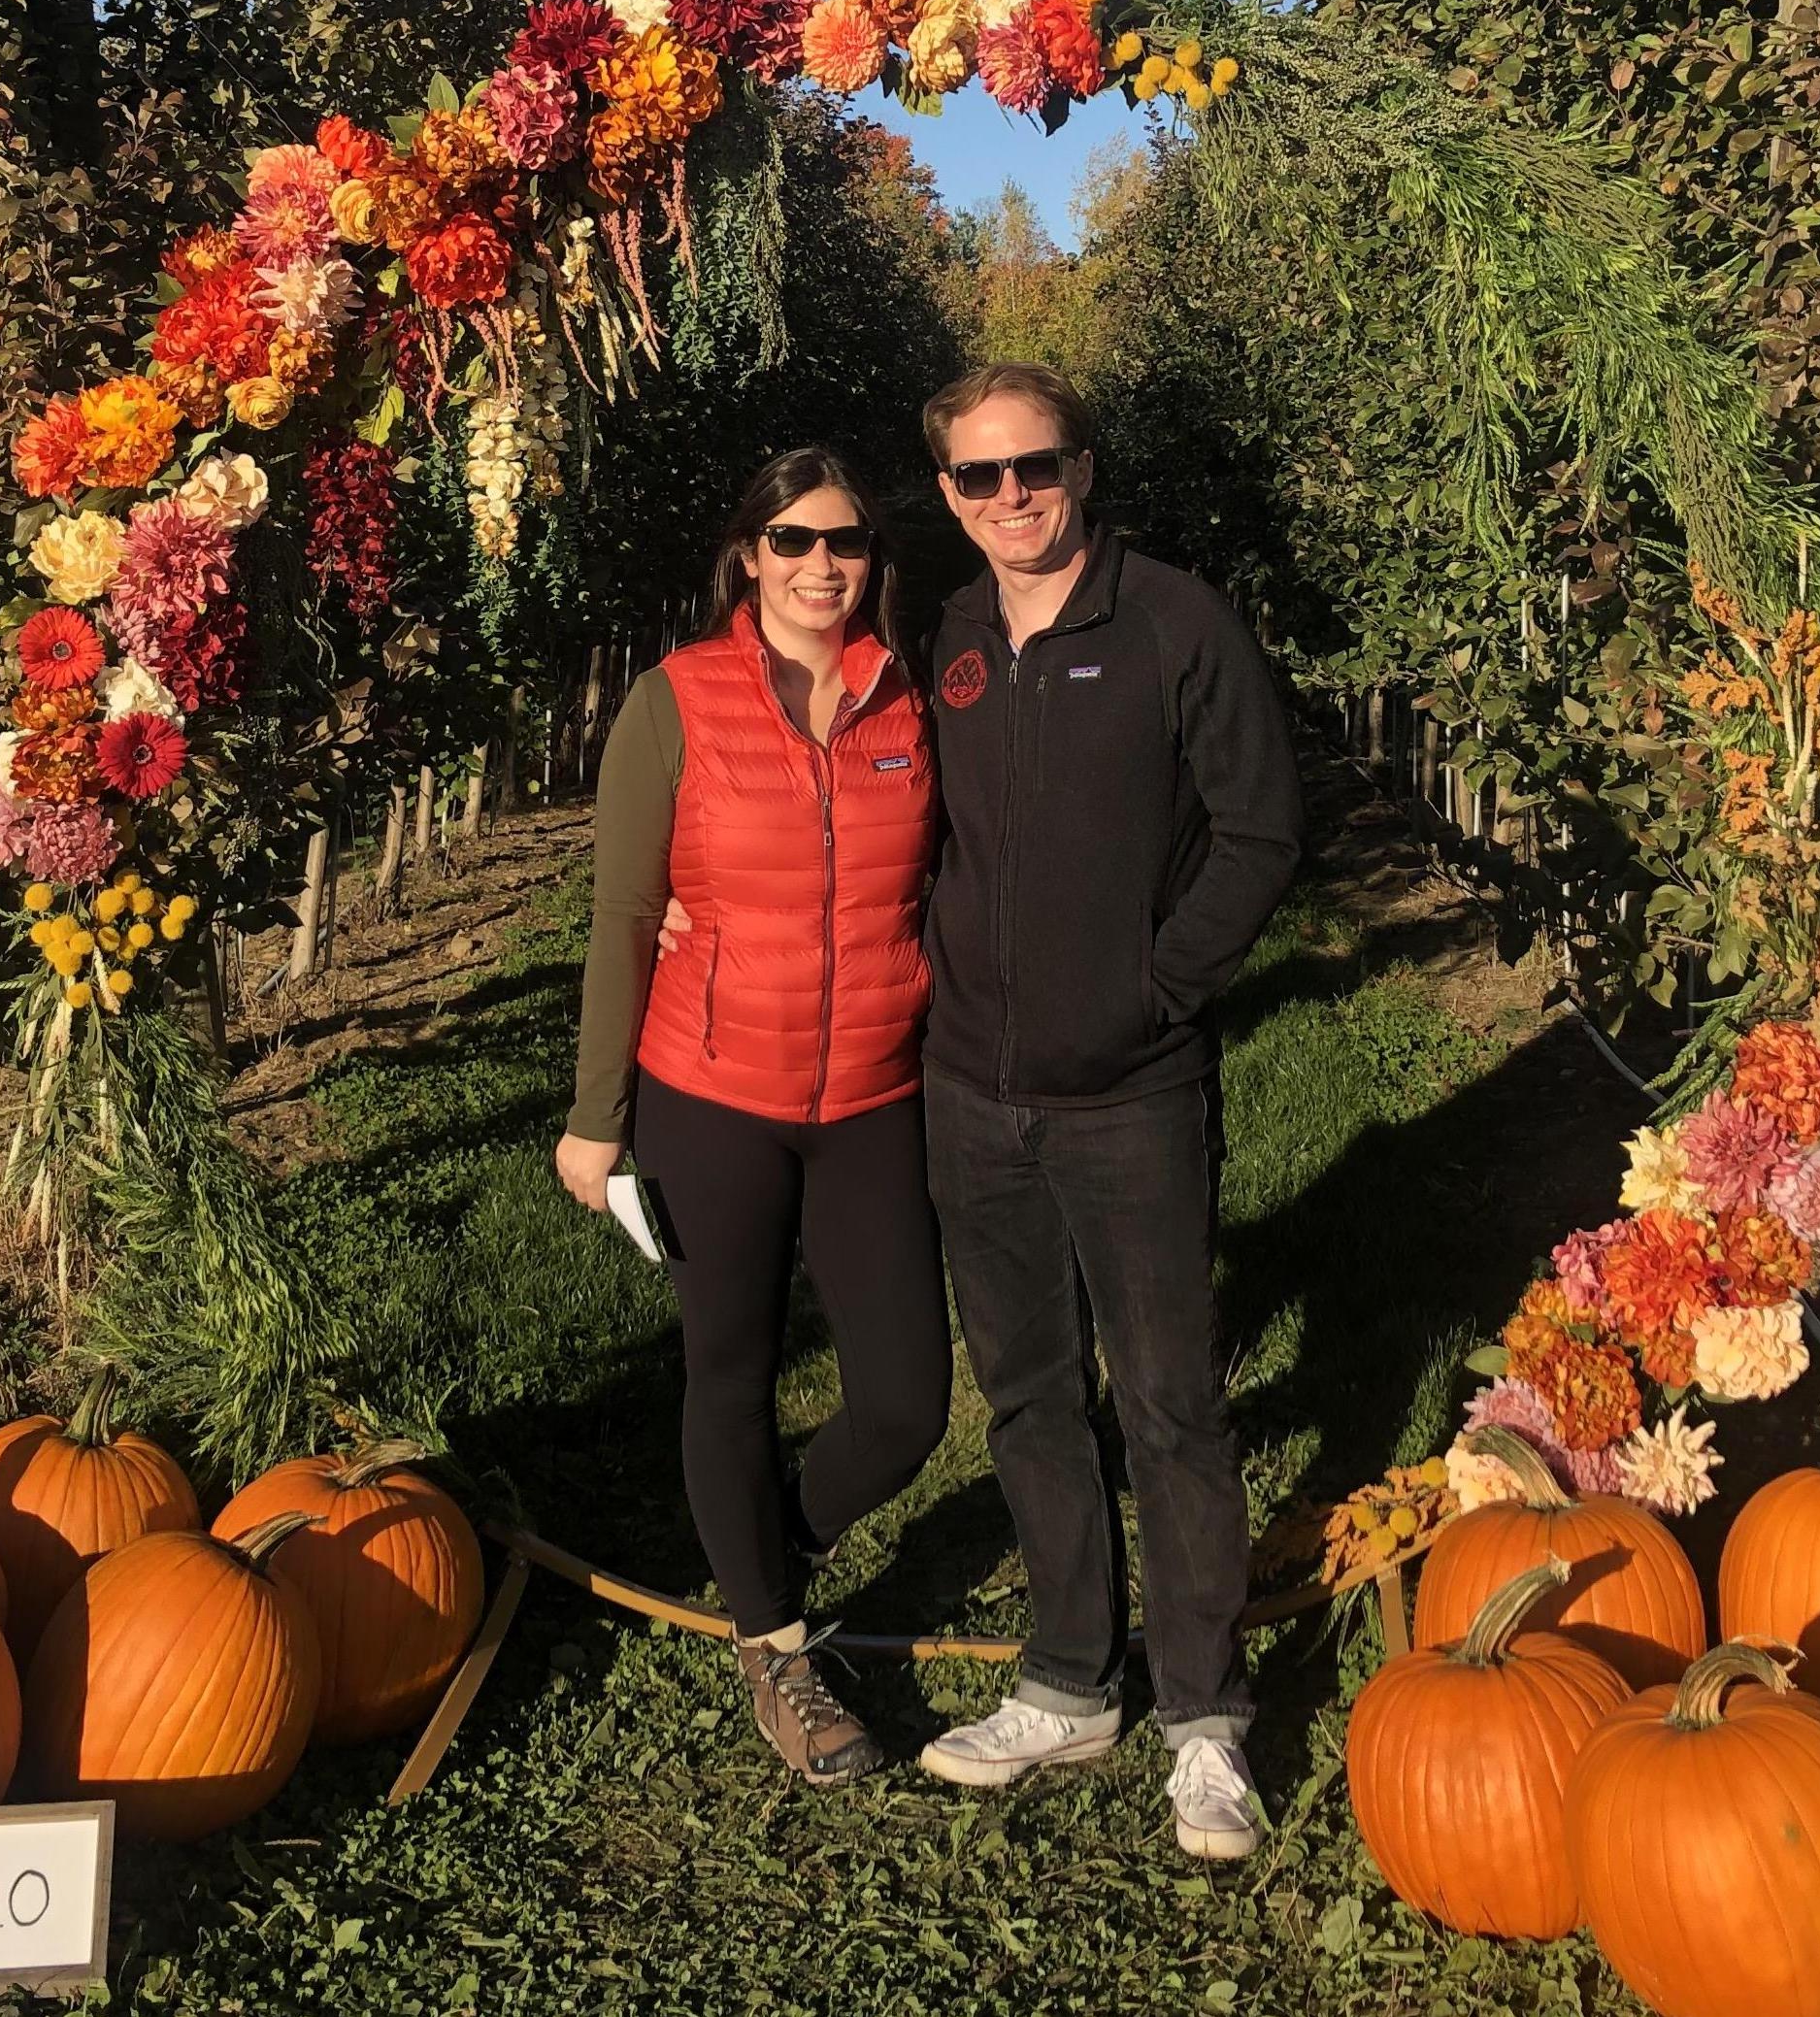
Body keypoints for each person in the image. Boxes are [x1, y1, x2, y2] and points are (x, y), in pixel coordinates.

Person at [908, 361, 1303, 1861]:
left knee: (1170, 1403)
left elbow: (1263, 825)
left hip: (1128, 1092)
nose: (1012, 497)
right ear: (943, 493)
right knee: (1022, 1396)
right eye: (978, 477)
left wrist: (1159, 987)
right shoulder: (943, 635)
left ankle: (1203, 1716)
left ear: (1083, 465)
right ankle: (1070, 1679)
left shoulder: (1170, 622)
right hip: (968, 1090)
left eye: (1036, 466)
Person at [556, 446, 951, 1787]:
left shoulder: (910, 697)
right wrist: (594, 1114)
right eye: (791, 541)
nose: (818, 565)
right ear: (749, 555)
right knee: (728, 1364)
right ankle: (777, 1645)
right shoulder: (674, 701)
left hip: (872, 1093)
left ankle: (757, 1547)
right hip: (710, 1089)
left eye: (842, 542)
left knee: (902, 1400)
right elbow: (620, 912)